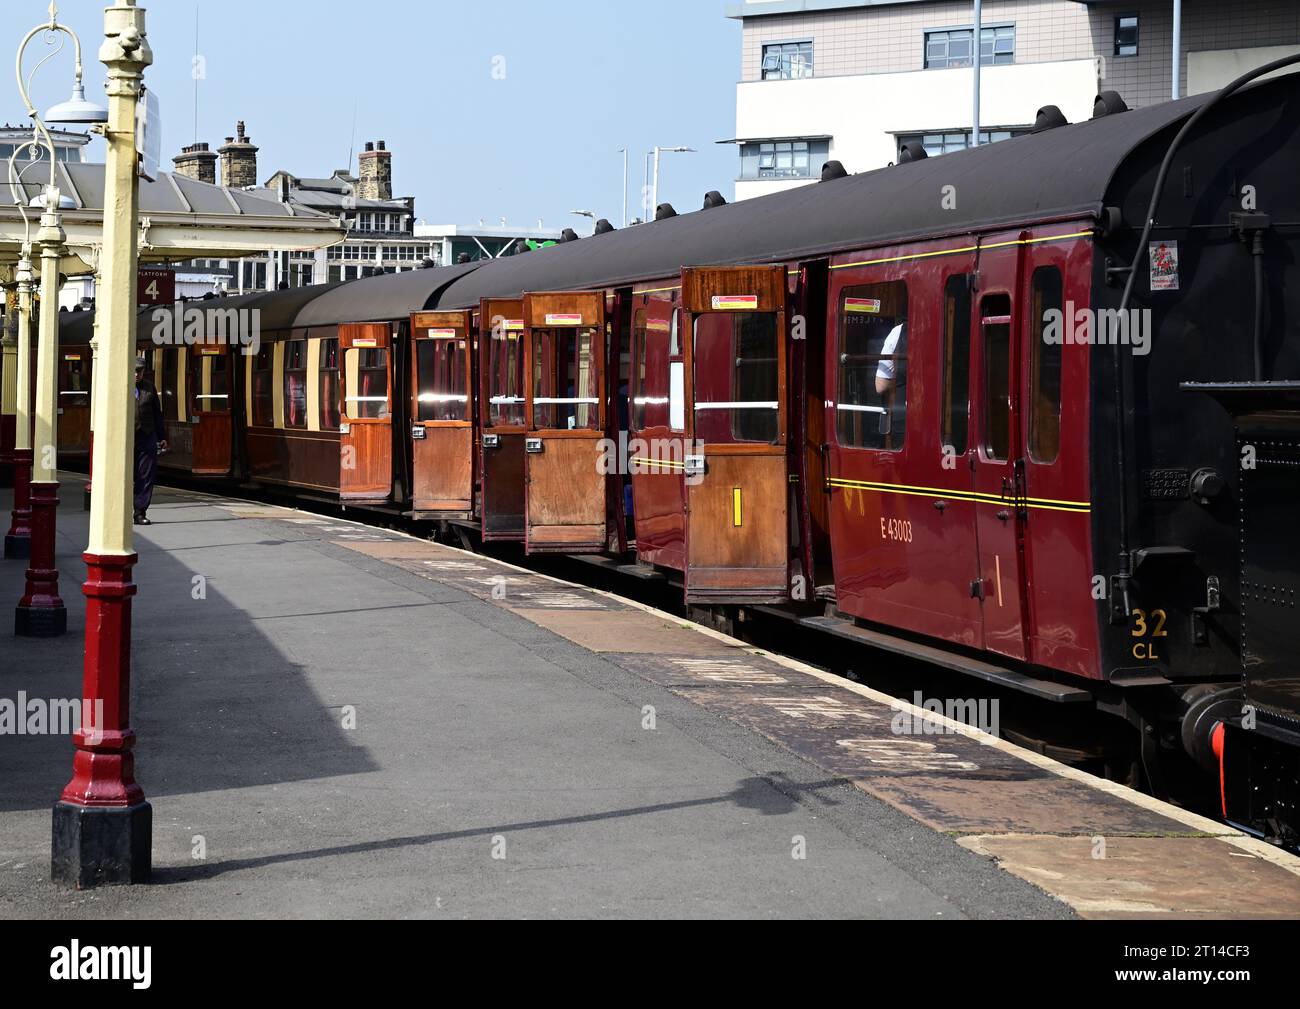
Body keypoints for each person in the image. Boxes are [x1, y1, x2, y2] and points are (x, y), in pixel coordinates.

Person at [134, 357, 167, 525]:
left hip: (147, 436)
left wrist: (162, 437)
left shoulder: (149, 388)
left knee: (145, 475)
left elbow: (157, 414)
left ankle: (140, 512)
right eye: (133, 371)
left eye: (139, 371)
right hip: (126, 438)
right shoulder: (120, 386)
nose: (135, 374)